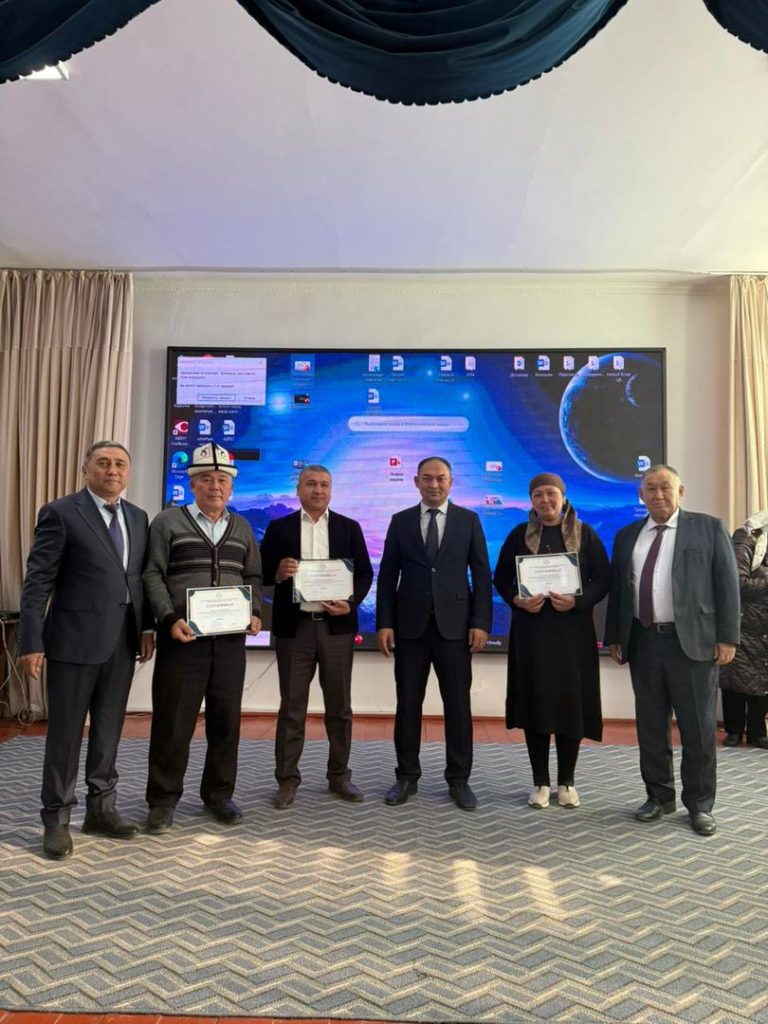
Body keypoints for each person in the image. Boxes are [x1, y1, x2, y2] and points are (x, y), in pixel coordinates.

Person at [18, 440, 154, 860]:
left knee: (109, 731)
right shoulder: (61, 513)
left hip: (122, 642)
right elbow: (38, 580)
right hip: (72, 642)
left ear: (128, 472)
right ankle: (56, 818)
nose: (113, 470)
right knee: (65, 735)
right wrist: (31, 641)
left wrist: (146, 627)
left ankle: (101, 810)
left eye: (120, 464)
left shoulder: (138, 517)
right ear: (85, 470)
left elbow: (137, 579)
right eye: (103, 463)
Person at [604, 464, 740, 836]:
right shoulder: (627, 536)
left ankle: (700, 804)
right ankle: (658, 797)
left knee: (698, 729)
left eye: (666, 487)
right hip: (644, 641)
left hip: (693, 643)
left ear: (681, 491)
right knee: (651, 726)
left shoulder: (708, 528)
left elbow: (728, 586)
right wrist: (615, 636)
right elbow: (620, 591)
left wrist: (728, 637)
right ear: (641, 495)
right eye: (651, 488)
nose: (658, 494)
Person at [142, 443, 262, 832]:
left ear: (231, 487)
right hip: (183, 640)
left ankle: (219, 795)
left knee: (226, 722)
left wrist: (254, 612)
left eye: (222, 480)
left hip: (229, 644)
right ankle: (162, 800)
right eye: (206, 479)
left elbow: (252, 576)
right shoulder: (167, 522)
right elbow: (152, 574)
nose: (215, 486)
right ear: (192, 484)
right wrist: (168, 618)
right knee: (173, 723)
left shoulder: (242, 527)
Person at [376, 456, 493, 811]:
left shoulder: (469, 520)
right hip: (409, 628)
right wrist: (384, 622)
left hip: (455, 629)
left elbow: (481, 575)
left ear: (451, 482)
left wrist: (480, 622)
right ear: (416, 482)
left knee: (458, 705)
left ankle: (459, 780)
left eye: (440, 478)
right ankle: (406, 776)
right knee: (407, 704)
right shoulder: (400, 521)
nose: (434, 484)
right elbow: (387, 575)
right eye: (427, 478)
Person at [494, 473, 610, 810]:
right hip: (532, 636)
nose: (545, 500)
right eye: (538, 495)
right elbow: (501, 578)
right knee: (536, 706)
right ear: (531, 500)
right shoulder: (519, 535)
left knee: (571, 706)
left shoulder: (584, 533)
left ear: (563, 495)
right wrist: (517, 600)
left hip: (573, 636)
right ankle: (541, 782)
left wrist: (578, 601)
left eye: (551, 493)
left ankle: (567, 781)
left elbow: (603, 579)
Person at [260, 465, 373, 808]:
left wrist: (350, 603)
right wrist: (278, 572)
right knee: (292, 708)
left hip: (335, 629)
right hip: (294, 629)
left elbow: (364, 574)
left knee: (340, 707)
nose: (318, 490)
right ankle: (287, 780)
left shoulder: (348, 528)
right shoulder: (279, 528)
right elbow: (259, 572)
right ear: (298, 490)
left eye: (324, 484)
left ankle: (339, 776)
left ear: (331, 490)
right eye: (311, 484)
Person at [719, 511, 768, 749]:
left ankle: (757, 732)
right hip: (743, 622)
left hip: (763, 625)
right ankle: (734, 731)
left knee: (761, 681)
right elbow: (738, 583)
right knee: (736, 680)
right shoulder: (746, 538)